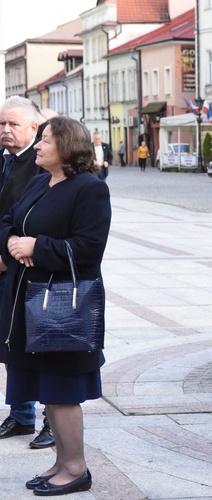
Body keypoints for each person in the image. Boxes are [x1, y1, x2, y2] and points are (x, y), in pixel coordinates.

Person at [0, 115, 111, 496]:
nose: (40, 145)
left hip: (63, 308)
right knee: (46, 387)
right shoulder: (38, 182)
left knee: (62, 389)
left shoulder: (89, 189)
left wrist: (37, 248)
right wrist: (13, 242)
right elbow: (8, 221)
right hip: (28, 304)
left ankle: (76, 468)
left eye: (45, 139)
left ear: (66, 146)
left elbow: (89, 248)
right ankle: (60, 463)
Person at [0, 96, 55, 450]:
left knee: (44, 346)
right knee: (10, 343)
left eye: (13, 124)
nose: (5, 131)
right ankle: (21, 415)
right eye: (1, 124)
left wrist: (8, 256)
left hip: (33, 270)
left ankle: (53, 418)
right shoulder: (5, 161)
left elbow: (42, 219)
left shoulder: (44, 165)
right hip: (6, 263)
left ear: (35, 128)